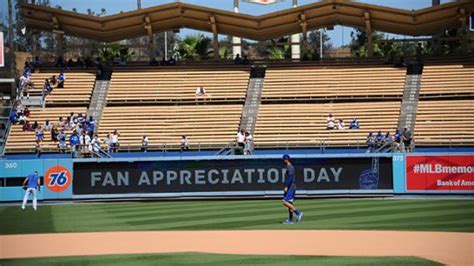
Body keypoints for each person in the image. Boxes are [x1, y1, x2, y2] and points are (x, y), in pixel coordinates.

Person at [281, 154, 303, 224]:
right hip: (291, 186)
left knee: (285, 202)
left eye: (284, 159)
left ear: (286, 159)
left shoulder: (290, 167)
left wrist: (287, 186)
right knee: (290, 203)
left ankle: (298, 213)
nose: (283, 160)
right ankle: (290, 219)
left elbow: (290, 178)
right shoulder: (289, 167)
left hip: (291, 186)